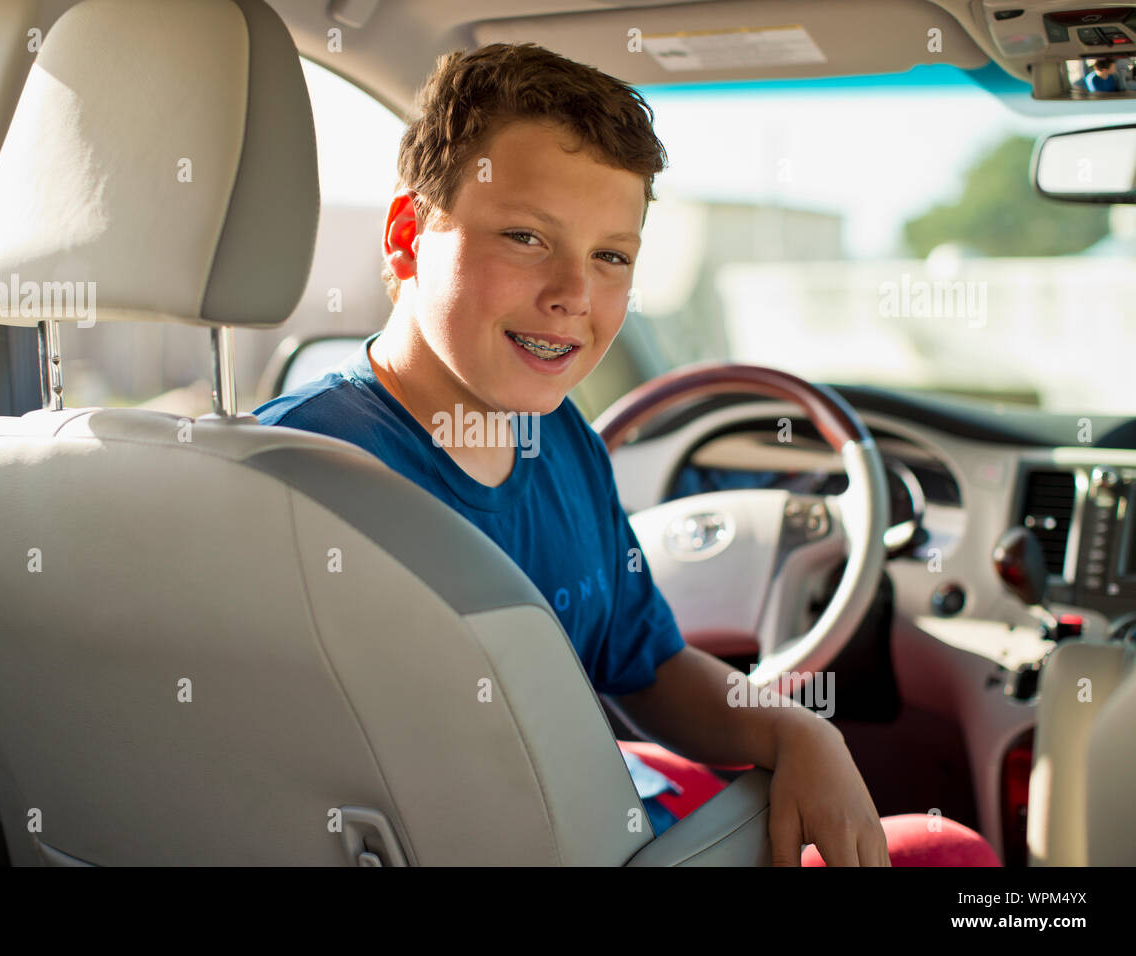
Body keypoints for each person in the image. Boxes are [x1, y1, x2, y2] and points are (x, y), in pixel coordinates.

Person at [255, 42, 999, 867]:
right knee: (948, 853)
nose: (574, 292)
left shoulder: (565, 440)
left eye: (612, 256)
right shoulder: (298, 472)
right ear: (406, 237)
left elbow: (644, 666)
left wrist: (795, 729)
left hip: (585, 809)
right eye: (527, 237)